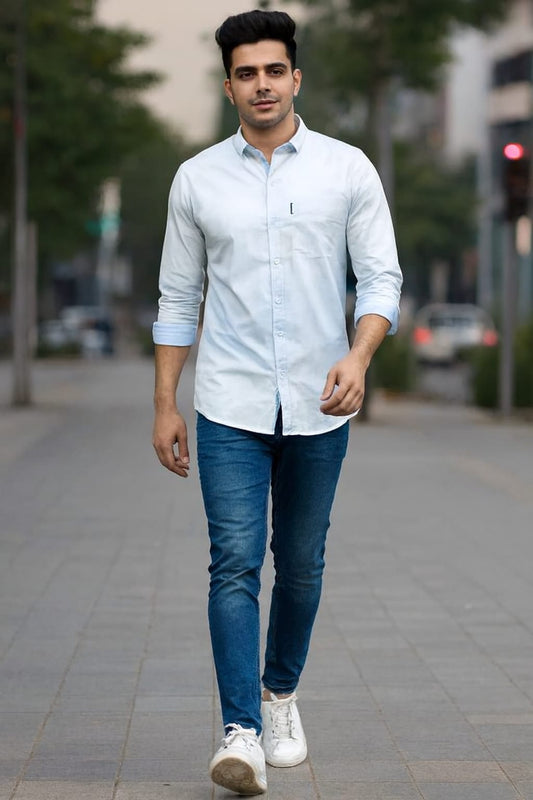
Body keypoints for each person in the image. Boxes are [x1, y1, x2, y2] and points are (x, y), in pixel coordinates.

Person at [152, 9, 402, 796]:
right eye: (245, 73)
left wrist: (358, 356)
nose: (261, 84)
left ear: (295, 78)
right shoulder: (196, 179)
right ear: (228, 85)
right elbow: (177, 296)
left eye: (273, 70)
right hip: (227, 405)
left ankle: (280, 690)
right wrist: (166, 402)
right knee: (233, 562)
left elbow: (381, 279)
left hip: (320, 403)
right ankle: (240, 732)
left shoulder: (346, 169)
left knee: (299, 564)